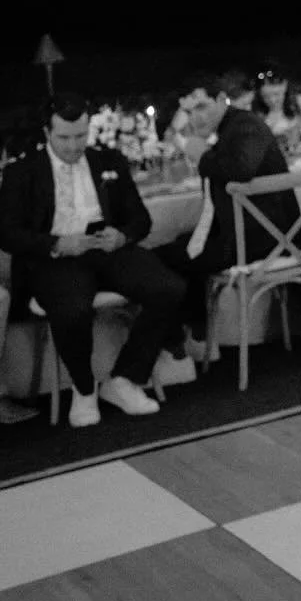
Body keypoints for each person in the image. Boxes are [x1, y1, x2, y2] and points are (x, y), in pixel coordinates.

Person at [0, 93, 190, 425]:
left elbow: (140, 220)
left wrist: (123, 236)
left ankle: (126, 378)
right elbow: (7, 233)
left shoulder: (109, 161)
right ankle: (84, 388)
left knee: (169, 288)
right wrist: (56, 242)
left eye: (80, 136)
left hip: (107, 251)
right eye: (65, 137)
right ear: (47, 133)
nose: (74, 145)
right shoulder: (23, 171)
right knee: (72, 309)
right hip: (55, 259)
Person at [149, 75, 301, 353]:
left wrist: (202, 155)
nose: (197, 117)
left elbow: (240, 170)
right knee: (177, 246)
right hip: (245, 231)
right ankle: (193, 332)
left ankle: (182, 338)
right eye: (189, 111)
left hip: (266, 239)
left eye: (203, 107)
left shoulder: (245, 125)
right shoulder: (227, 127)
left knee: (160, 257)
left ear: (221, 100)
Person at [256, 66, 301, 146]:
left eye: (276, 94)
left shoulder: (300, 103)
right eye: (266, 96)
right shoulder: (257, 113)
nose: (272, 100)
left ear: (284, 88)